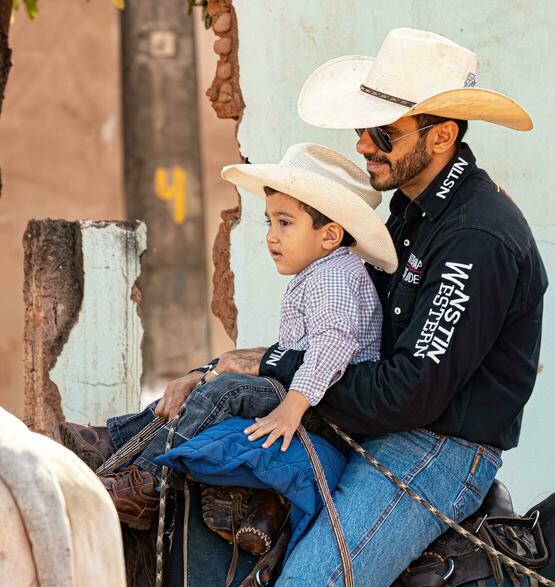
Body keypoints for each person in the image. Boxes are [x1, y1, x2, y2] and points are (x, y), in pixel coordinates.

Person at [183, 27, 548, 587]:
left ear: (442, 135)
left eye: (382, 134)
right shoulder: (416, 211)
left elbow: (411, 392)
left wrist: (276, 379)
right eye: (365, 131)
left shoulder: (477, 240)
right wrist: (258, 365)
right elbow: (348, 348)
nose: (364, 146)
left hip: (434, 451)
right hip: (372, 428)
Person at [74, 144, 397, 537]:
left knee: (225, 393)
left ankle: (146, 483)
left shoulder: (334, 277)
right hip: (310, 396)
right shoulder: (323, 270)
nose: (271, 237)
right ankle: (118, 440)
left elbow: (333, 344)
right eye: (269, 223)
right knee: (213, 384)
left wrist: (292, 407)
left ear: (329, 234)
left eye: (285, 223)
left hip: (324, 409)